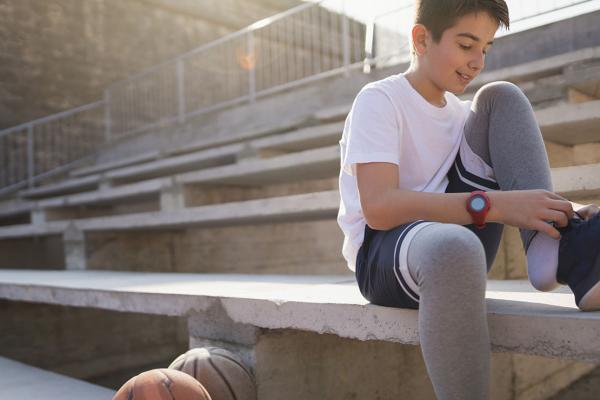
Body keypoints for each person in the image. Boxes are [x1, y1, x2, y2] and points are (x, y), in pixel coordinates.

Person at [336, 0, 600, 398]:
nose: (478, 61)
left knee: (500, 96)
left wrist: (564, 212)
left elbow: (499, 193)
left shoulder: (463, 116)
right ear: (421, 39)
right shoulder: (380, 99)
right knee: (453, 247)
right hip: (386, 253)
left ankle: (558, 251)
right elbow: (379, 208)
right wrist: (497, 205)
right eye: (466, 45)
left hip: (459, 241)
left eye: (486, 48)